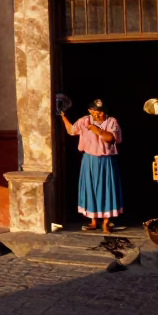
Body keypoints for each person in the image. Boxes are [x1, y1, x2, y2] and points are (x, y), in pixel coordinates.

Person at [59, 98, 123, 233]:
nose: (96, 114)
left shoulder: (112, 122)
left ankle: (106, 222)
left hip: (106, 160)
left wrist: (97, 130)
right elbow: (71, 130)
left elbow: (110, 138)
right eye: (94, 111)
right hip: (89, 160)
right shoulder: (84, 120)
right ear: (89, 110)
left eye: (99, 111)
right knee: (90, 189)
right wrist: (63, 116)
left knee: (106, 189)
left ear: (104, 111)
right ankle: (93, 221)